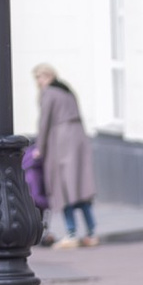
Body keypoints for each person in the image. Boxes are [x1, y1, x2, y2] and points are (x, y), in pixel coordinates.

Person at [33, 64, 97, 242]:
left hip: (60, 142)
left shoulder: (49, 93)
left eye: (40, 77)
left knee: (63, 188)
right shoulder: (67, 91)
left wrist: (40, 147)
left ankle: (71, 232)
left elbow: (44, 122)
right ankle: (91, 231)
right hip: (78, 139)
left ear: (48, 77)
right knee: (79, 187)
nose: (38, 82)